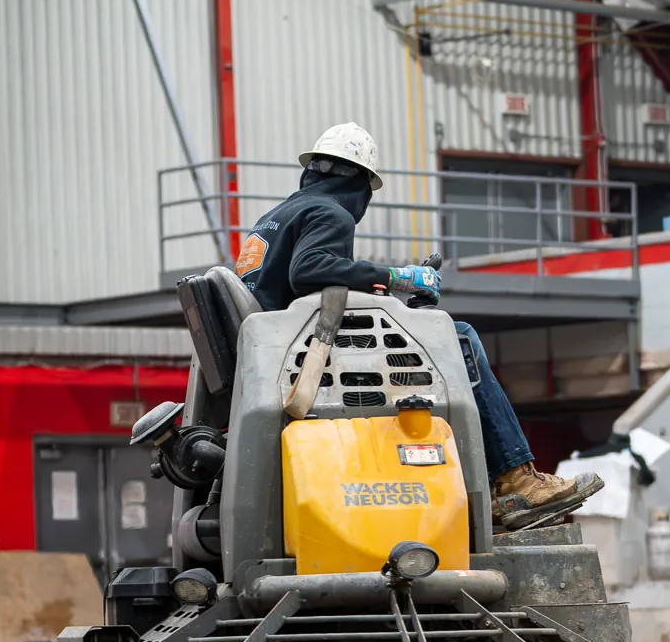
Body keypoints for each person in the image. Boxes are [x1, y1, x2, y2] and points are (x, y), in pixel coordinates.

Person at [235, 123, 600, 531]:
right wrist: (398, 277)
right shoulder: (329, 212)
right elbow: (310, 271)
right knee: (459, 339)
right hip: (312, 361)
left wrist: (389, 293)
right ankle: (515, 481)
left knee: (430, 333)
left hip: (280, 353)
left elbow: (300, 288)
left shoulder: (274, 218)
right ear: (361, 184)